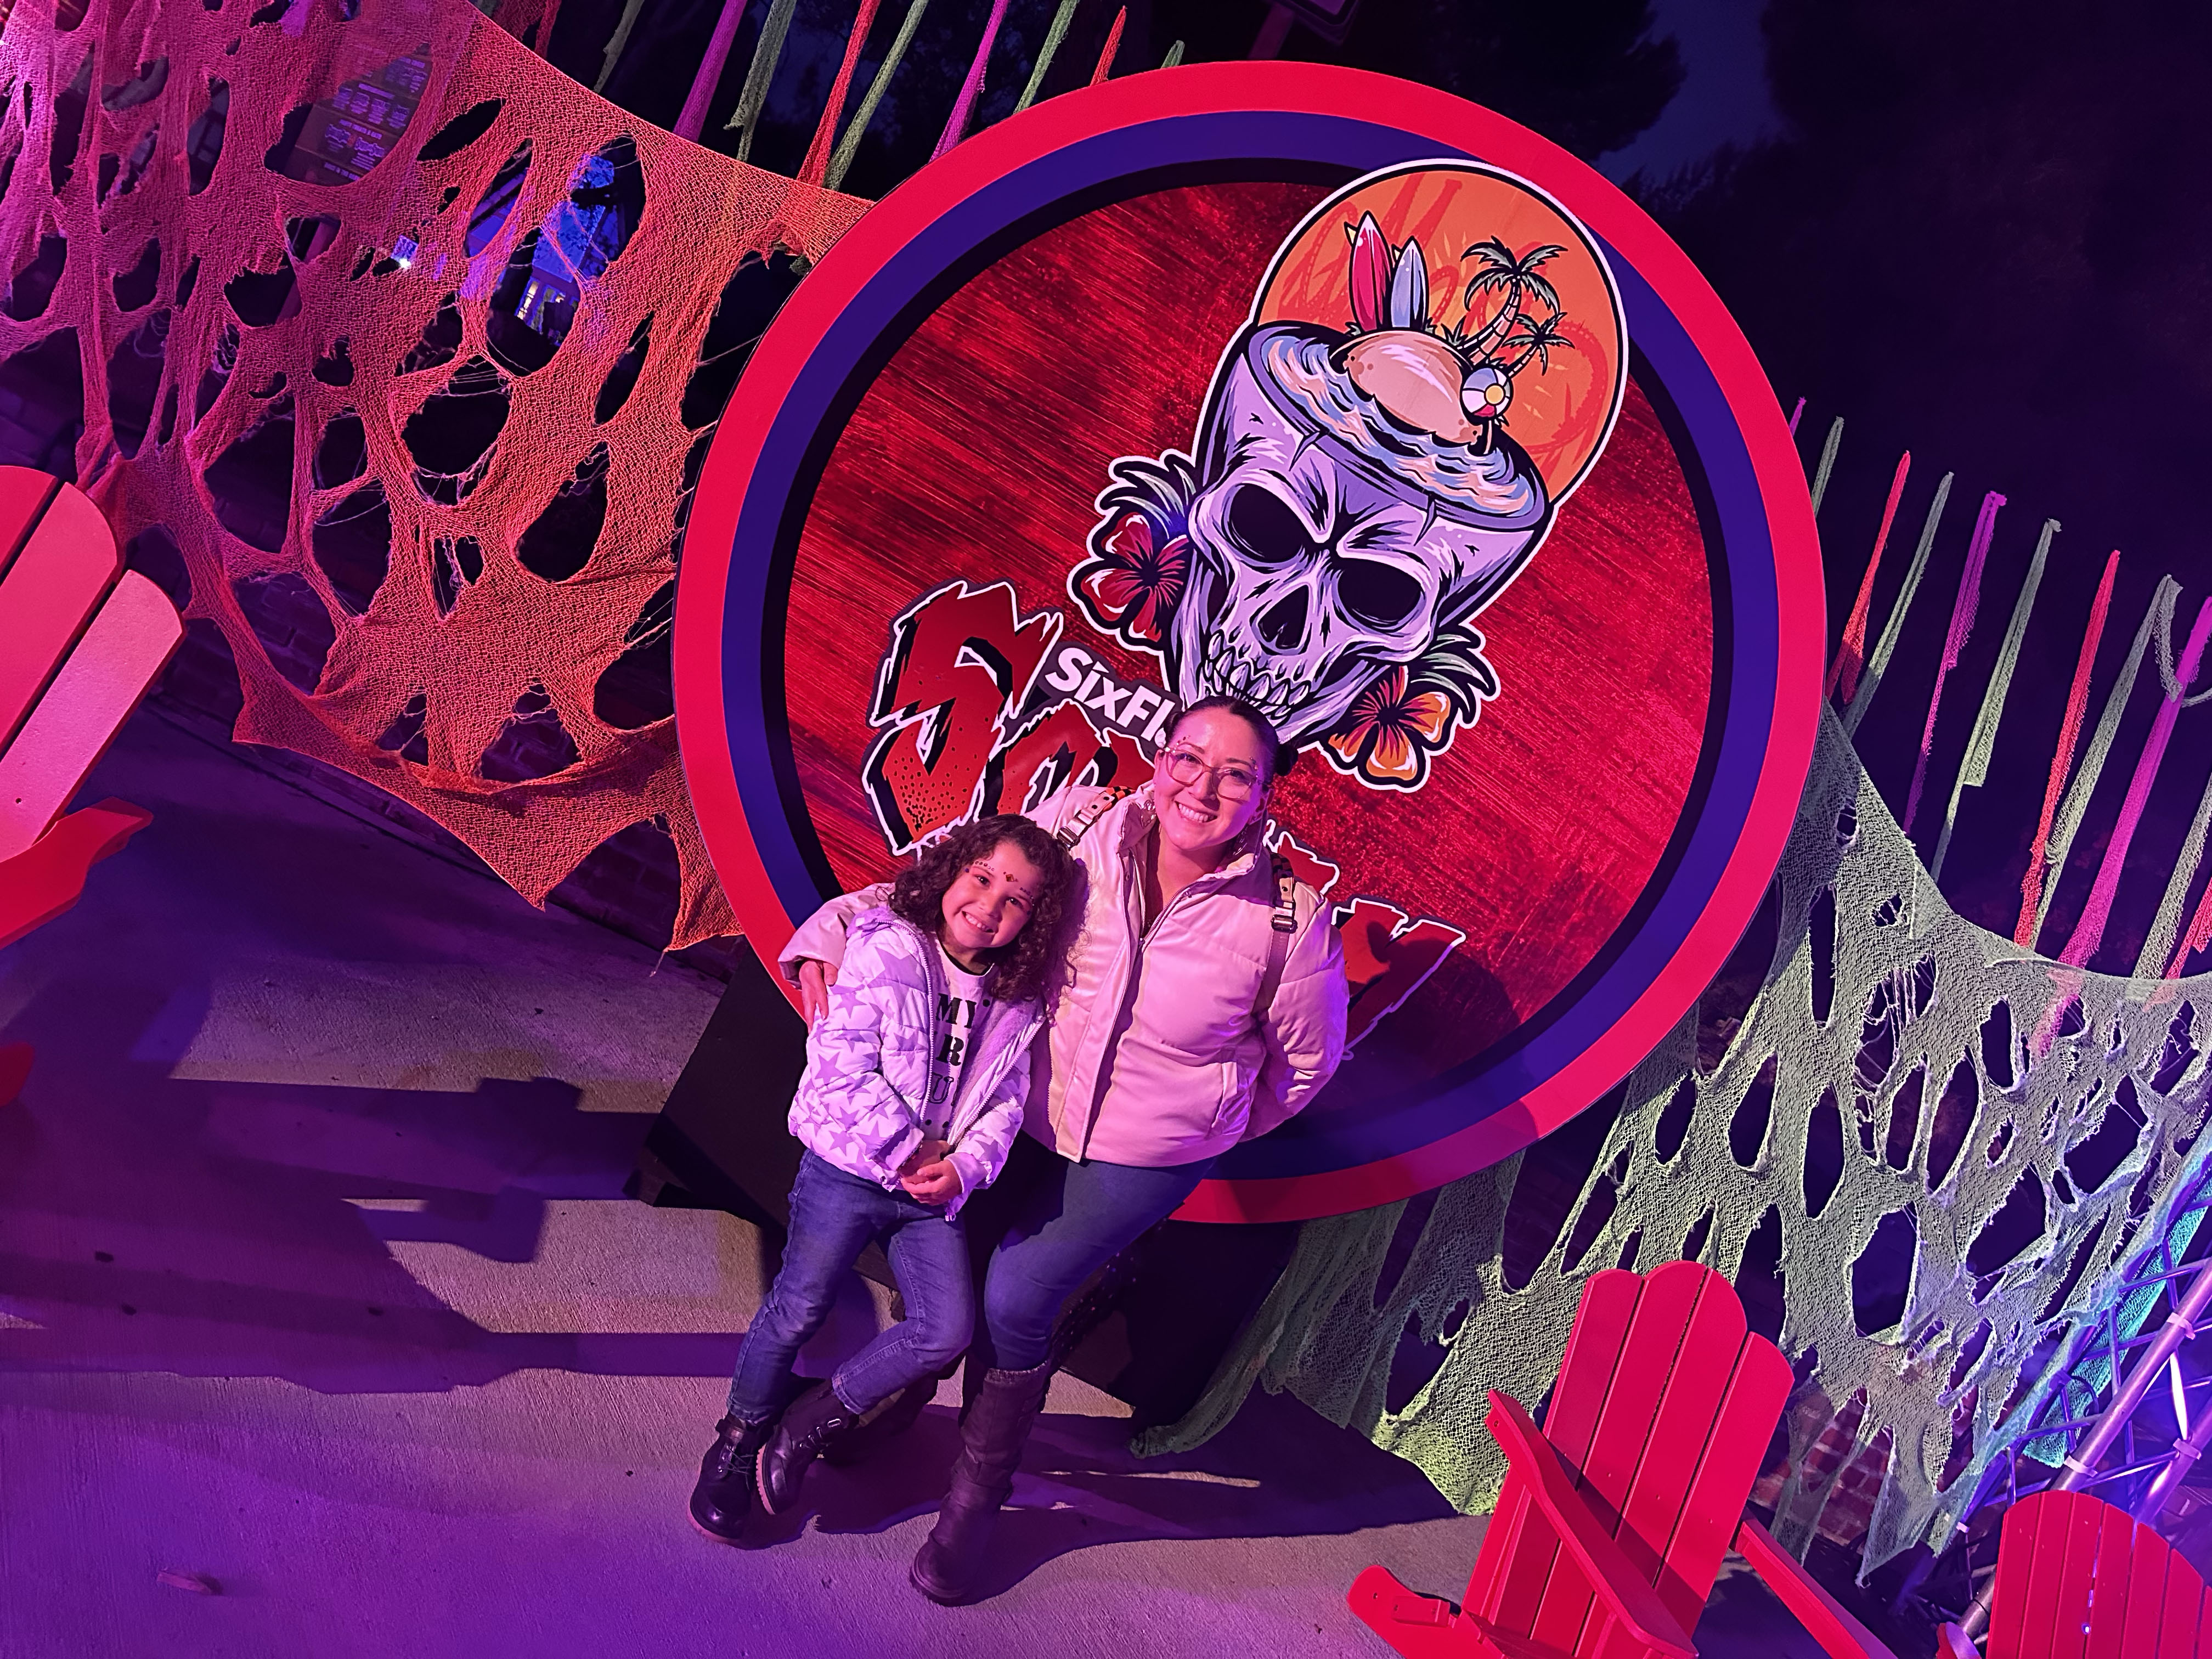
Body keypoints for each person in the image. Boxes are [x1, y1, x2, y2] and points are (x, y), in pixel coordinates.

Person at [781, 695, 1349, 1603]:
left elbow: (1305, 1066)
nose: (1202, 788)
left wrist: (1204, 1124)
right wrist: (835, 930)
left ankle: (975, 1500)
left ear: (1263, 798)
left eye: (1235, 775)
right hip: (1009, 1108)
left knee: (1015, 1298)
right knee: (945, 1270)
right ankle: (889, 1405)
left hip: (1138, 1158)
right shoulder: (1081, 827)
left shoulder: (1287, 920)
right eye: (1189, 758)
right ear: (1160, 757)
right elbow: (955, 889)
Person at [689, 814, 1075, 1544]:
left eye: (1016, 899)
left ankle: (809, 1420)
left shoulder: (1017, 999)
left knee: (945, 1330)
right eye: (982, 878)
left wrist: (964, 1168)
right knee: (798, 1309)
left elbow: (1004, 1100)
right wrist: (908, 1149)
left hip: (928, 1195)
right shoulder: (885, 946)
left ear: (1034, 917)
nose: (990, 906)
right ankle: (738, 1438)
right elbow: (838, 1068)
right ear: (954, 870)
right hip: (848, 1169)